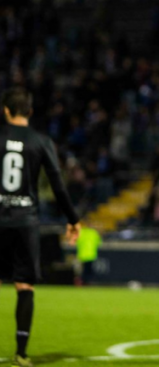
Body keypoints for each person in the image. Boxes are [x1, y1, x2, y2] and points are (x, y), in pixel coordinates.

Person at [0, 88, 81, 367]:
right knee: (24, 286)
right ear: (30, 112)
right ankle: (21, 353)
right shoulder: (41, 140)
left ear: (5, 111)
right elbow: (57, 184)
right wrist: (73, 219)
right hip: (25, 220)